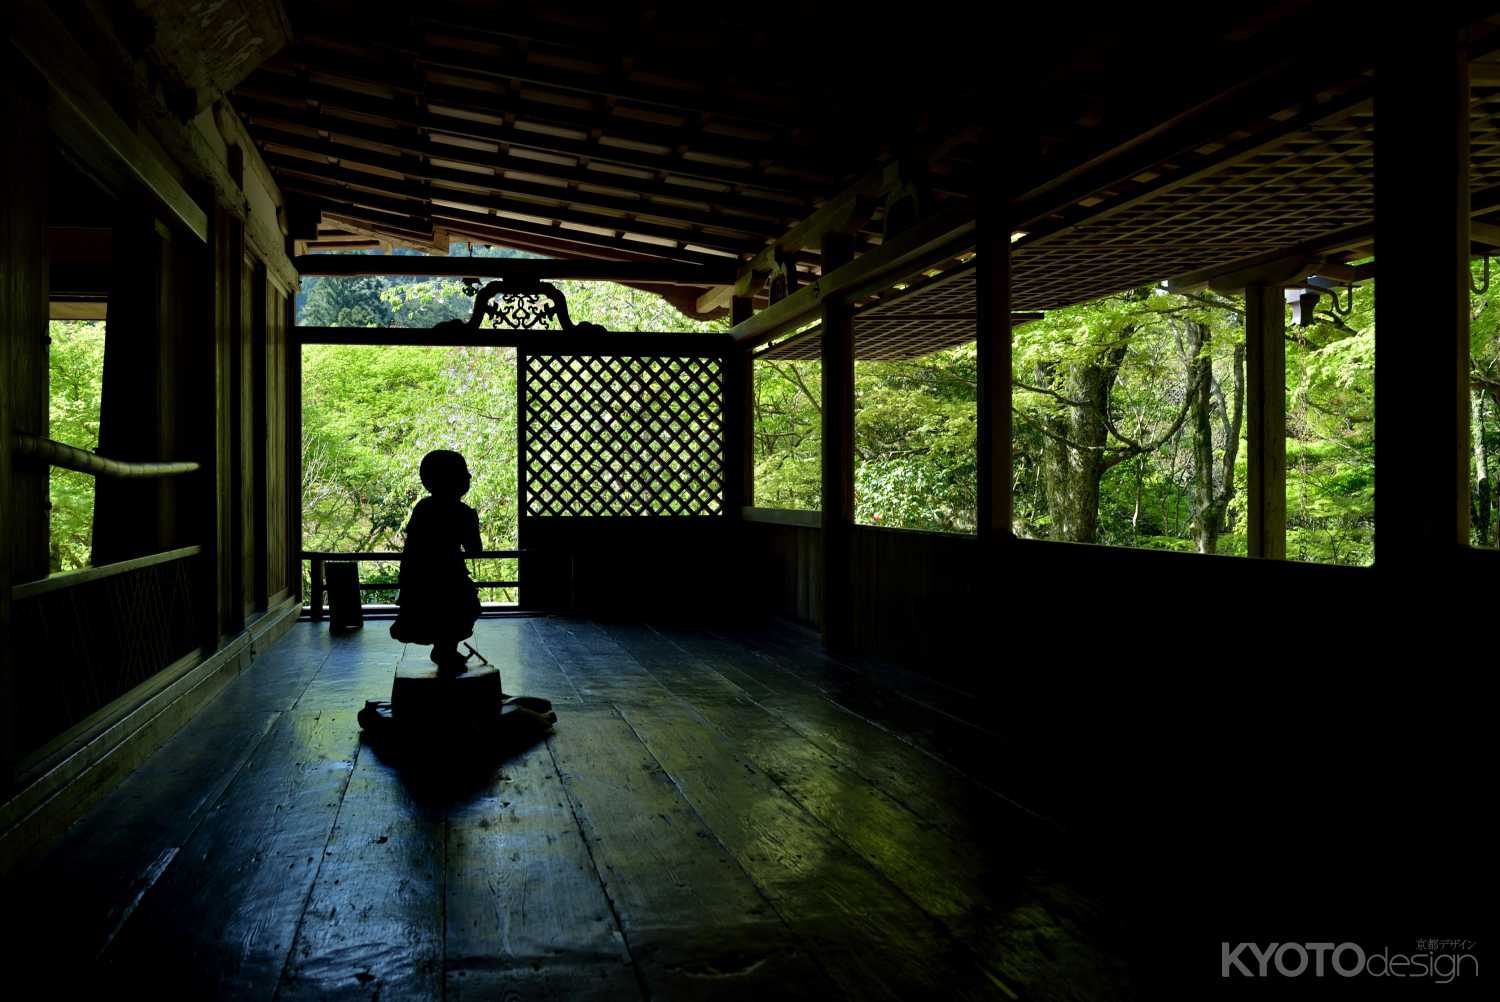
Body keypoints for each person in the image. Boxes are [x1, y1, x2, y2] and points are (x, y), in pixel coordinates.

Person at [390, 449, 483, 675]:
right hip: (450, 575)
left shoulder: (423, 507)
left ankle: (443, 649)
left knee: (435, 614)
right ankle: (446, 649)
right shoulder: (462, 513)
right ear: (453, 479)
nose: (469, 477)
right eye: (464, 472)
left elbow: (412, 545)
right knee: (460, 611)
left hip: (420, 575)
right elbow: (475, 549)